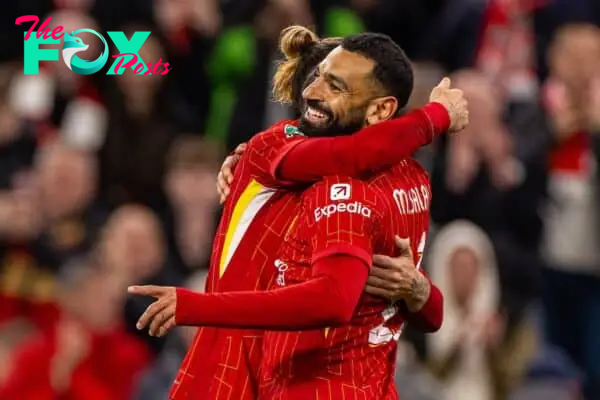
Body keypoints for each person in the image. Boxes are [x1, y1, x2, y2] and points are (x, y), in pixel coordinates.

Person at [131, 27, 468, 399]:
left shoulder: (365, 182)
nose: (311, 92)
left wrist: (418, 290)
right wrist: (436, 116)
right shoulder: (287, 151)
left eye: (335, 86)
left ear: (381, 110)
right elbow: (420, 312)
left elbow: (350, 301)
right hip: (254, 374)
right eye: (318, 76)